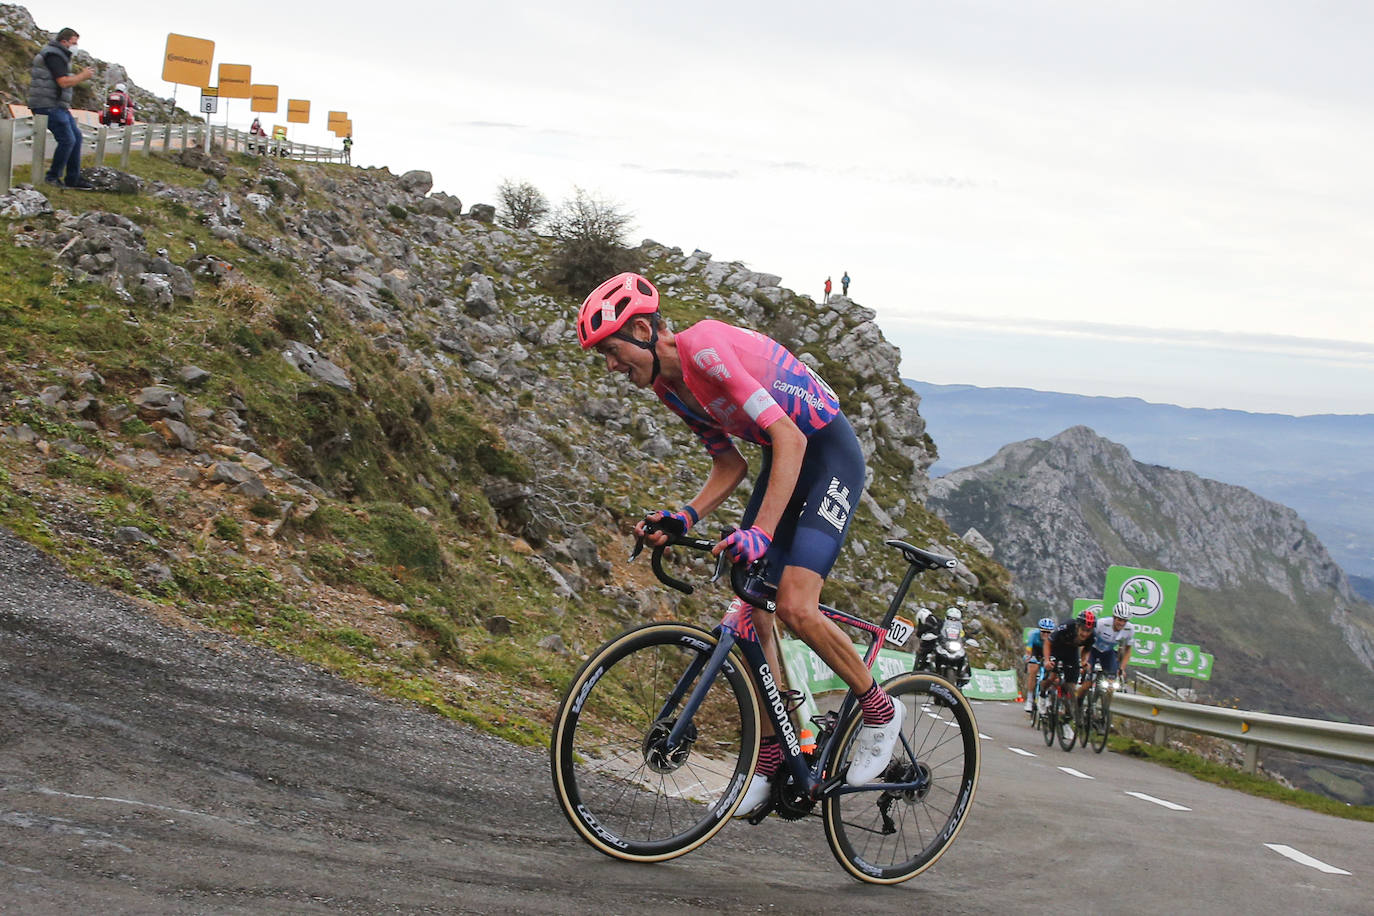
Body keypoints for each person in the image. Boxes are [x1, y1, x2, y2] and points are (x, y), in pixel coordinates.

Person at [578, 271, 903, 817]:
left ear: (640, 329)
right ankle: (774, 757)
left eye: (611, 351)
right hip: (786, 457)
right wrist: (684, 517)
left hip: (826, 452)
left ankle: (879, 711)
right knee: (749, 607)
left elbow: (792, 437)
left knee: (797, 605)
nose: (610, 366)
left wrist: (761, 532)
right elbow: (728, 462)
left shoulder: (704, 351)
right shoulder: (666, 386)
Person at [27, 27, 95, 190]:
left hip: (57, 105)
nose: (76, 46)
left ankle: (73, 178)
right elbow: (63, 82)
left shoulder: (59, 55)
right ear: (64, 42)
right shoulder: (54, 55)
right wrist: (82, 76)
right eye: (74, 42)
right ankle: (53, 177)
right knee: (68, 139)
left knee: (76, 137)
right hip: (48, 105)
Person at [1044, 610, 1094, 719]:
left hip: (1071, 654)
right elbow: (1048, 642)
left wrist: (1084, 661)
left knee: (1071, 686)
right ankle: (1042, 695)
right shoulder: (1066, 626)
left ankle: (1066, 717)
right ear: (1077, 626)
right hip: (1056, 649)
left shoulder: (1091, 636)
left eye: (1088, 631)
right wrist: (1047, 660)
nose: (1085, 634)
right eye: (1083, 630)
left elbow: (1086, 649)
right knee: (1052, 676)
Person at [1089, 602, 1136, 684]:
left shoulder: (1130, 629)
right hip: (1092, 650)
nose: (1121, 623)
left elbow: (1128, 650)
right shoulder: (1102, 623)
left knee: (1112, 683)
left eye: (1124, 621)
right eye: (1119, 620)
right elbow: (1087, 639)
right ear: (1114, 617)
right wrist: (1084, 660)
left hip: (1108, 652)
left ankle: (1107, 696)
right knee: (1087, 682)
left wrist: (1122, 668)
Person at [1022, 616, 1056, 712]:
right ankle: (1029, 699)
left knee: (1053, 671)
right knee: (1033, 668)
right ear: (1039, 630)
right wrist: (1028, 657)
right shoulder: (1033, 635)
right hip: (1036, 652)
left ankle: (1048, 695)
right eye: (1043, 631)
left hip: (1048, 653)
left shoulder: (1054, 638)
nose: (1045, 634)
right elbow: (1029, 650)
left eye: (1048, 632)